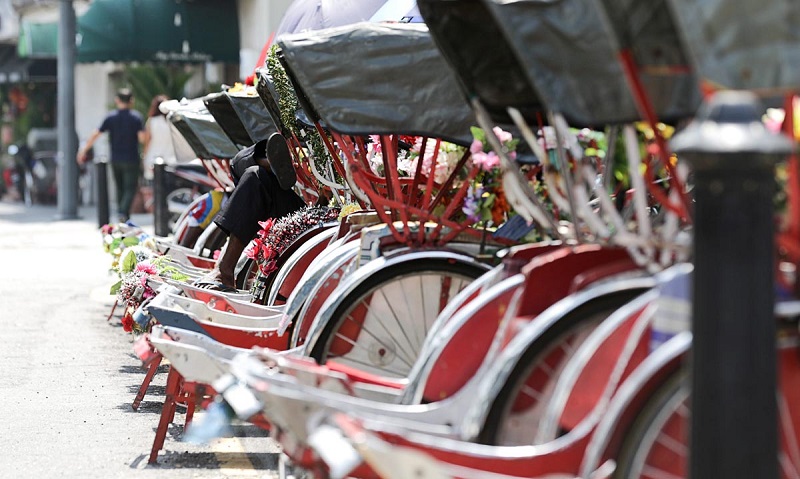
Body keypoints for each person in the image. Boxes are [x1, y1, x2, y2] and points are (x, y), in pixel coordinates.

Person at [198, 132, 304, 290]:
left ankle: (225, 271)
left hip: (316, 215)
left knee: (253, 176)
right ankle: (267, 163)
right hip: (301, 207)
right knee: (246, 168)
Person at [78, 88, 145, 222]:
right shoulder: (136, 117)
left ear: (117, 101)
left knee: (120, 188)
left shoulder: (111, 117)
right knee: (130, 188)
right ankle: (122, 213)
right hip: (132, 158)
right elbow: (142, 138)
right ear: (131, 101)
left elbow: (96, 133)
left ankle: (123, 215)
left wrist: (84, 150)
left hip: (115, 158)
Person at [141, 94, 176, 182]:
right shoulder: (173, 121)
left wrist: (144, 156)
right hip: (171, 159)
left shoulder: (151, 121)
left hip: (153, 158)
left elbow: (147, 141)